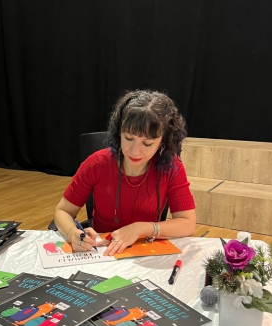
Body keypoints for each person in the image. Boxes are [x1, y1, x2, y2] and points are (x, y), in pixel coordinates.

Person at [53, 90, 196, 255]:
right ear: (119, 132)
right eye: (128, 138)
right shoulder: (96, 164)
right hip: (102, 251)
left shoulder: (172, 167)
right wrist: (73, 234)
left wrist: (141, 228)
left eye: (147, 144)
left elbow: (187, 223)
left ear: (163, 141)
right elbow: (63, 211)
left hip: (146, 250)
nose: (135, 151)